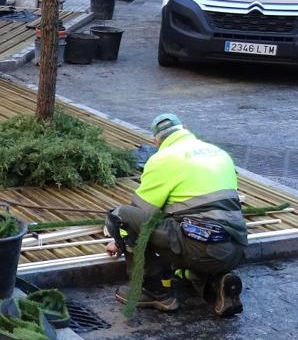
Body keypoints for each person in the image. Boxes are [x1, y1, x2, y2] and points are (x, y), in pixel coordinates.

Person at [106, 114, 248, 316]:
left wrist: (120, 238)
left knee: (119, 216)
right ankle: (218, 284)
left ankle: (154, 292)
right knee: (191, 246)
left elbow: (140, 212)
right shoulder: (219, 153)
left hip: (202, 248)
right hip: (237, 247)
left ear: (156, 141)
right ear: (185, 129)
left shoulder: (163, 159)